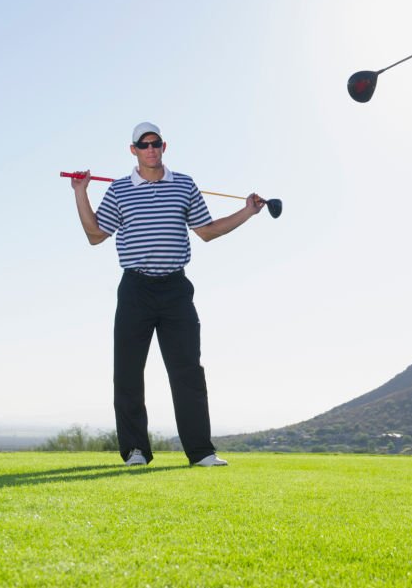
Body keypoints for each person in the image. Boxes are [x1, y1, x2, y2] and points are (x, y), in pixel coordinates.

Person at [70, 121, 267, 467]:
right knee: (128, 372)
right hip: (135, 289)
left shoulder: (185, 185)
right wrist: (80, 191)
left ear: (164, 146)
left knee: (187, 370)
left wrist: (248, 212)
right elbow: (94, 235)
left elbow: (206, 231)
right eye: (143, 145)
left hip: (176, 289)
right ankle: (136, 451)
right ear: (133, 150)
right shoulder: (119, 191)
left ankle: (201, 451)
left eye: (155, 143)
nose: (150, 149)